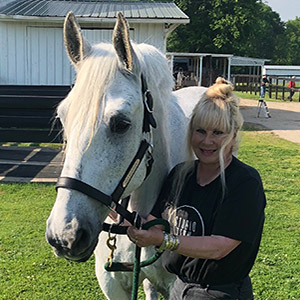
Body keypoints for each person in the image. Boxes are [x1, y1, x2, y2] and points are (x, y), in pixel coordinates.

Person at [127, 77, 266, 300]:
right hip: (179, 288)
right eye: (200, 131)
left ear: (233, 136)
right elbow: (155, 222)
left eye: (217, 133)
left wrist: (163, 241)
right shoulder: (181, 174)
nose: (206, 141)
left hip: (220, 293)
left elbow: (219, 247)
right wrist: (126, 218)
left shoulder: (244, 182)